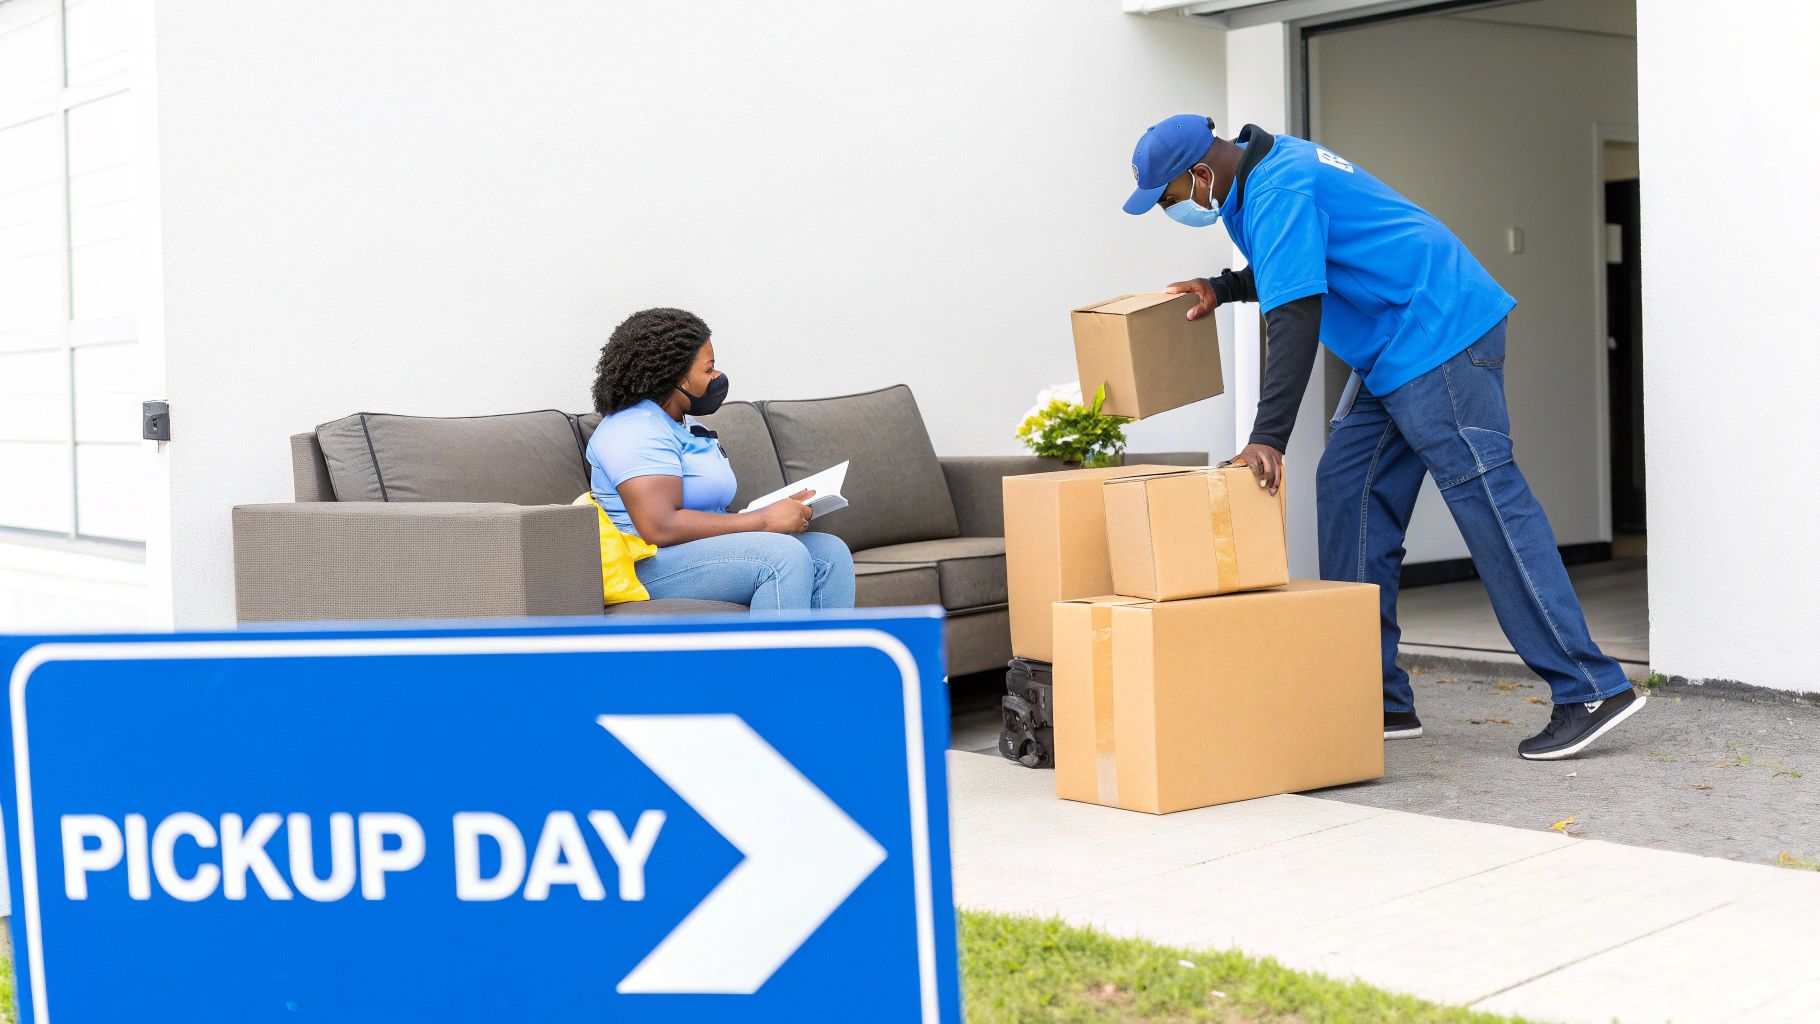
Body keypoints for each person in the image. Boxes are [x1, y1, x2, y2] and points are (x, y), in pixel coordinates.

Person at [1122, 114, 1643, 761]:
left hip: (1438, 331)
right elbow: (1299, 262)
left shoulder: (1278, 185)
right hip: (1395, 349)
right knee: (1347, 487)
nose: (1175, 209)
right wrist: (1224, 287)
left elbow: (1296, 313)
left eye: (1171, 198)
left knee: (1487, 500)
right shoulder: (1252, 179)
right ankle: (1375, 697)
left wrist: (1268, 437)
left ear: (1199, 174)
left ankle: (1588, 687)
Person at [587, 307, 855, 610]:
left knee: (830, 553)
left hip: (697, 549)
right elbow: (659, 527)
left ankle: (827, 658)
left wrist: (768, 511)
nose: (717, 377)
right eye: (708, 369)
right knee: (783, 557)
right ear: (676, 377)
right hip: (647, 564)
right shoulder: (632, 429)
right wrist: (765, 521)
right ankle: (775, 660)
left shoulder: (685, 426)